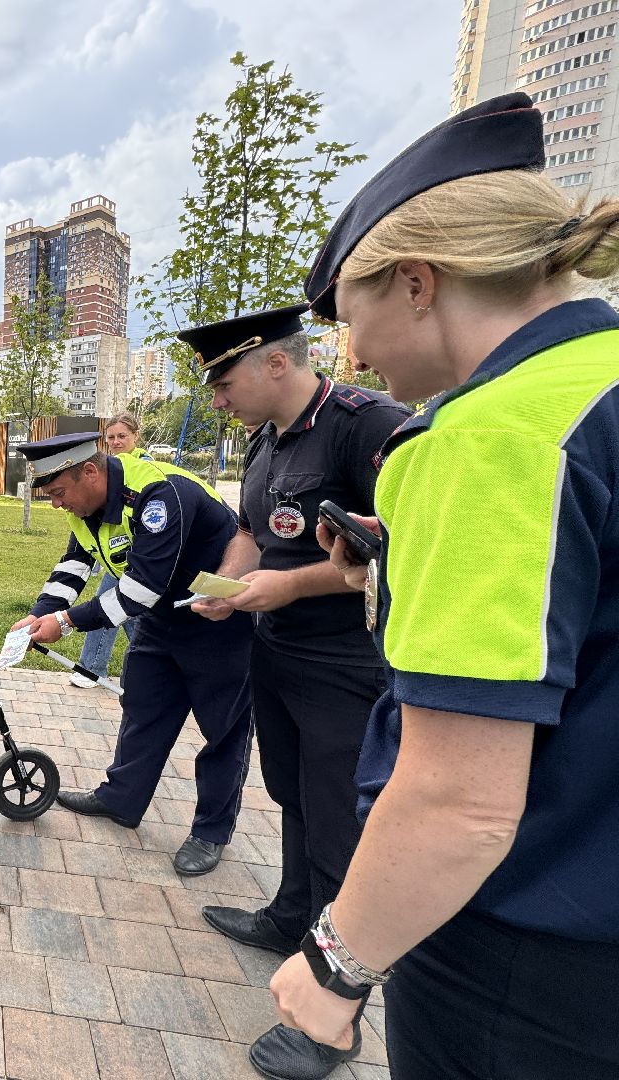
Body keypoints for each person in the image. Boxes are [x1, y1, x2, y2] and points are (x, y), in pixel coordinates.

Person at [263, 92, 619, 1080]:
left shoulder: (490, 439)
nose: (357, 358)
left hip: (527, 953)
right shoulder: (596, 391)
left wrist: (334, 970)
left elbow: (461, 804)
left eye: (350, 319)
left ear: (417, 281)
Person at [183, 305, 409, 1079]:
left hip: (347, 666)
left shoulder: (365, 423)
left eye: (224, 379)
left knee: (341, 824)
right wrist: (229, 583)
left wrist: (289, 585)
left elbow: (403, 542)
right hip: (274, 652)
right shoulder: (264, 440)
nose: (217, 397)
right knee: (294, 796)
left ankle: (334, 1020)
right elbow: (252, 530)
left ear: (277, 363)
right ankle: (289, 920)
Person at [12, 432, 253, 876]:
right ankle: (121, 798)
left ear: (90, 472)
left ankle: (211, 832)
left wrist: (65, 623)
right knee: (142, 709)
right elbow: (74, 565)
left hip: (217, 621)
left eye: (59, 493)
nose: (56, 505)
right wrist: (40, 614)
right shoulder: (87, 505)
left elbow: (140, 589)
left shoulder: (157, 493)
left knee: (224, 730)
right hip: (160, 621)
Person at [69, 413, 148, 688]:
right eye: (111, 437)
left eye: (122, 436)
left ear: (135, 436)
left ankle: (101, 669)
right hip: (113, 558)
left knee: (126, 613)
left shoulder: (144, 467)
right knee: (119, 611)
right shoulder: (104, 468)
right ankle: (94, 668)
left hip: (136, 560)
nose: (115, 442)